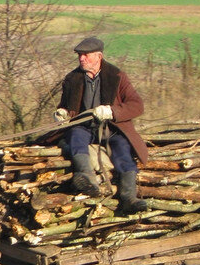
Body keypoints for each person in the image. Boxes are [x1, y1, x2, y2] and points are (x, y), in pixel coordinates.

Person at [55, 37, 149, 213]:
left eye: (85, 55)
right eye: (79, 55)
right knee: (75, 136)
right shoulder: (72, 79)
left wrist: (112, 112)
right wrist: (62, 114)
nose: (81, 59)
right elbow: (65, 106)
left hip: (112, 128)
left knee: (123, 150)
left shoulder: (117, 77)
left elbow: (137, 105)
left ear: (99, 56)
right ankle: (87, 178)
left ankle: (129, 198)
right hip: (83, 127)